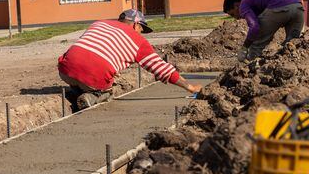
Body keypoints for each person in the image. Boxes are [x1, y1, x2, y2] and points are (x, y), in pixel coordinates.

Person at [58, 9, 201, 110]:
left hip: (65, 70)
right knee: (108, 90)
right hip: (93, 76)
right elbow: (162, 70)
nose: (142, 33)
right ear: (135, 24)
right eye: (142, 29)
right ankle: (92, 97)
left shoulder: (99, 23)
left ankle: (76, 90)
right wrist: (190, 87)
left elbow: (87, 49)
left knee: (84, 74)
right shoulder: (139, 42)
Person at [223, 0, 305, 61]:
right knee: (291, 44)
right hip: (298, 8)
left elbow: (254, 27)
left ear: (236, 5)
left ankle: (249, 69)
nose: (236, 18)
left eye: (233, 14)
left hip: (279, 7)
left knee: (257, 44)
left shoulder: (243, 4)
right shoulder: (254, 1)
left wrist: (244, 48)